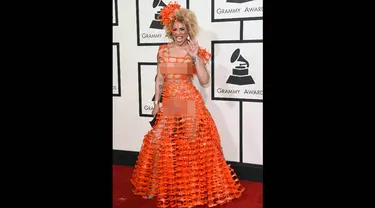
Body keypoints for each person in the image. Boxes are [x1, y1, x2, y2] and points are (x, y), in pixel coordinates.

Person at [131, 2, 245, 207]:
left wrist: (195, 58)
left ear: (189, 29)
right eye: (174, 29)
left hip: (189, 101)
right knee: (160, 142)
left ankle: (192, 189)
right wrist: (156, 103)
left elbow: (204, 80)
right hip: (170, 102)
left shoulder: (195, 50)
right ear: (169, 29)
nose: (178, 33)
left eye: (182, 28)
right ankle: (155, 186)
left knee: (191, 145)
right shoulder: (163, 51)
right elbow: (159, 79)